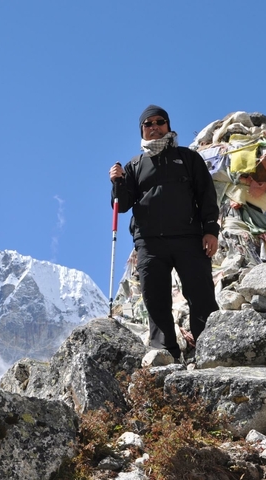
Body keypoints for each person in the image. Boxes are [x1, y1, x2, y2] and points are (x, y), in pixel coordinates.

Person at [109, 104, 219, 362]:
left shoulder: (188, 158)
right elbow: (122, 205)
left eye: (160, 122)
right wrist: (117, 182)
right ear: (142, 130)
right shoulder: (135, 165)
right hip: (149, 243)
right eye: (148, 124)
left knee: (201, 295)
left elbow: (207, 196)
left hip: (188, 238)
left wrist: (211, 231)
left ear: (168, 126)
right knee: (155, 300)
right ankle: (164, 354)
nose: (155, 127)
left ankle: (209, 349)